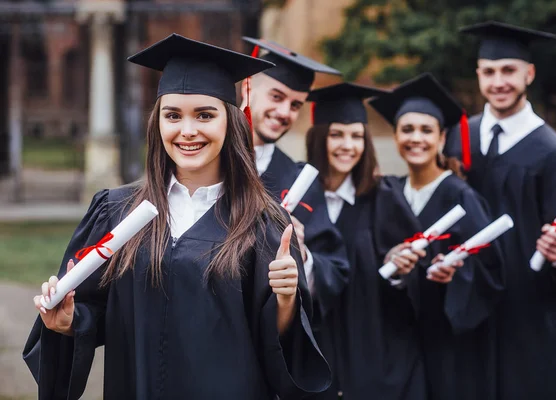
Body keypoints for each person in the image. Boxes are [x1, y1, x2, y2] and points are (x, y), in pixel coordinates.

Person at [23, 34, 331, 399]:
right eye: (173, 115)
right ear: (158, 123)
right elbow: (97, 311)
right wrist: (69, 322)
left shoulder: (264, 222)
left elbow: (279, 345)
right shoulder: (118, 212)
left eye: (205, 115)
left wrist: (286, 298)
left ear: (230, 123)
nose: (187, 130)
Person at [445, 21, 556, 400]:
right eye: (490, 72)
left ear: (529, 74)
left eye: (509, 70)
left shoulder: (552, 151)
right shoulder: (459, 137)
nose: (499, 82)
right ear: (478, 75)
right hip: (470, 297)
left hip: (527, 307)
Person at [369, 72, 505, 400]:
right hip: (400, 341)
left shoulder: (461, 197)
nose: (416, 138)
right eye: (408, 129)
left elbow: (492, 270)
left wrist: (457, 275)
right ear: (396, 135)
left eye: (426, 130)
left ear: (442, 138)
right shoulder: (389, 192)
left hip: (450, 347)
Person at [304, 82, 430, 400]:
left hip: (375, 358)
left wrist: (399, 270)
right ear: (319, 138)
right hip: (315, 357)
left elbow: (418, 279)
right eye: (337, 134)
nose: (348, 145)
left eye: (357, 135)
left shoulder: (382, 198)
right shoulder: (299, 201)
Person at [241, 37, 350, 321]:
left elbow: (335, 272)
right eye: (276, 97)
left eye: (295, 105)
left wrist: (302, 256)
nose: (284, 113)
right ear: (247, 87)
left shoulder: (301, 180)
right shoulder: (206, 165)